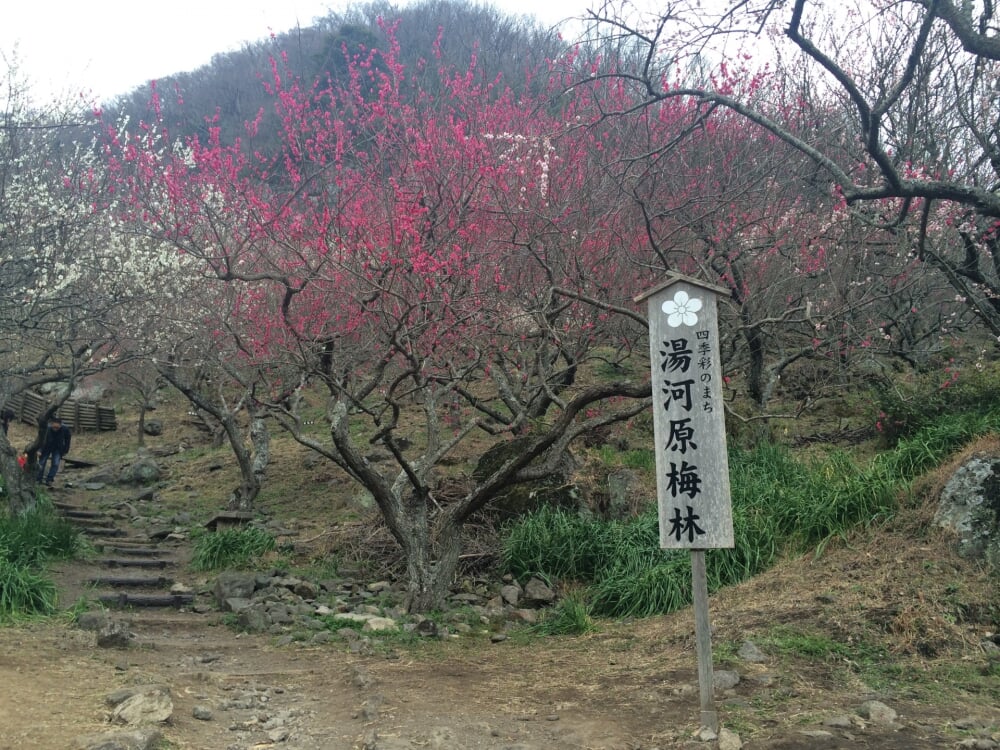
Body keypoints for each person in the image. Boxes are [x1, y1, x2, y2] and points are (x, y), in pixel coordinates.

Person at [37, 416, 71, 487]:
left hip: (58, 448)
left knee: (55, 463)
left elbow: (68, 440)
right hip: (46, 447)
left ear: (61, 425)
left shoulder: (65, 429)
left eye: (57, 428)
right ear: (51, 424)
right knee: (42, 463)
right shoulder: (47, 429)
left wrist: (65, 450)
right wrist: (39, 450)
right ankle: (38, 479)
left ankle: (49, 479)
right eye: (54, 427)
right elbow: (41, 440)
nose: (55, 429)